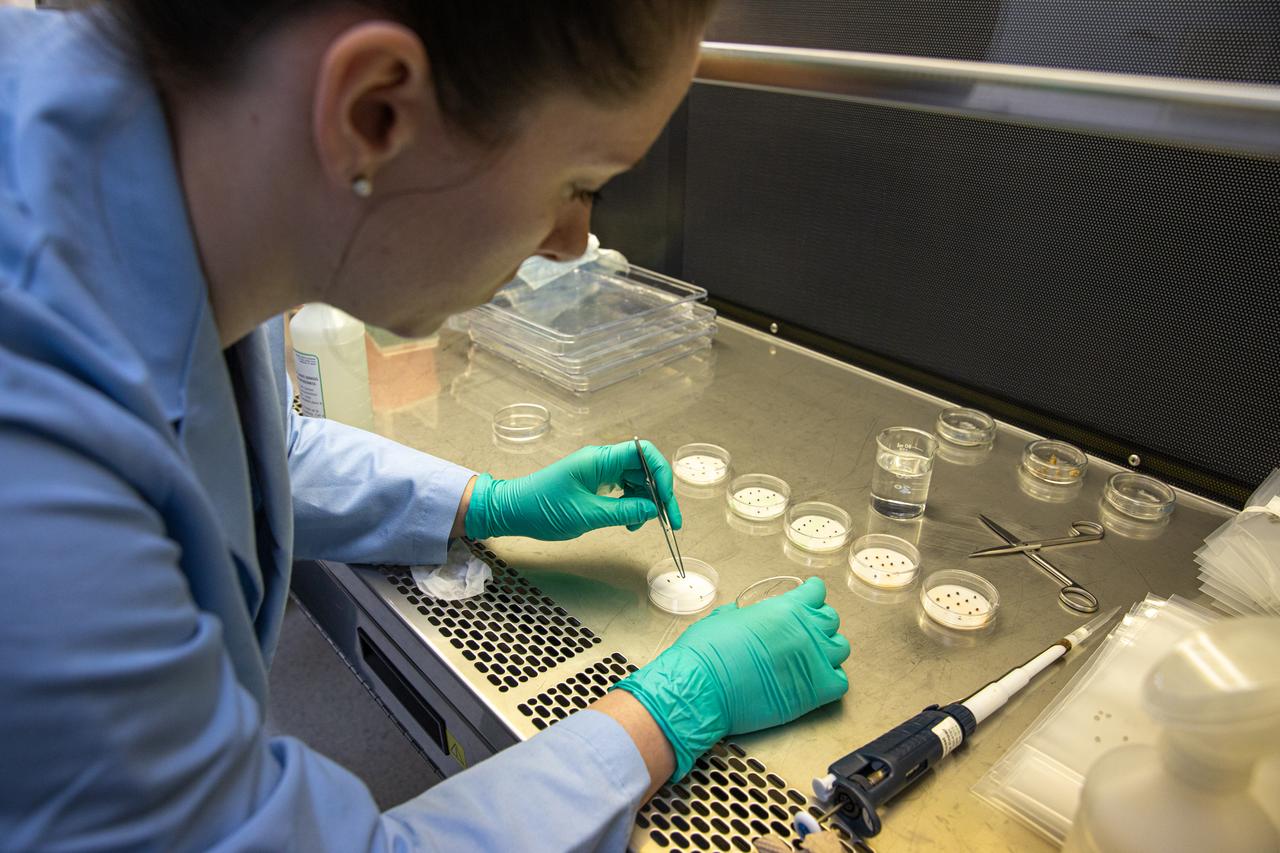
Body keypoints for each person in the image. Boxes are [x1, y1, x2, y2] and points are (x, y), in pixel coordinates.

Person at [0, 2, 851, 850]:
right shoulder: (33, 463)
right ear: (375, 111)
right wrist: (664, 713)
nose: (574, 241)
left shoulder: (161, 166)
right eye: (579, 183)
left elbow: (253, 444)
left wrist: (485, 503)